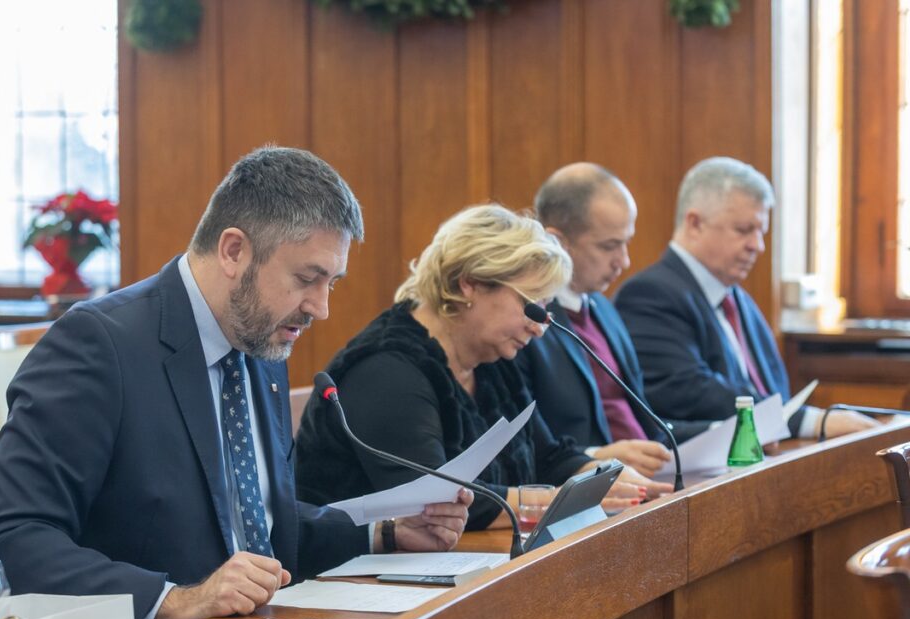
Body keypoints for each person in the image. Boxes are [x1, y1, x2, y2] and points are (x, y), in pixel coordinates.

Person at [0, 146, 472, 619]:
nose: (320, 308)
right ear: (234, 251)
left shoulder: (258, 342)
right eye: (306, 279)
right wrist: (175, 600)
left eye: (331, 284)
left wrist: (380, 533)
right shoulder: (99, 344)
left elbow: (249, 520)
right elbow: (12, 537)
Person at [295, 204, 671, 531]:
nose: (539, 327)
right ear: (469, 284)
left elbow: (549, 456)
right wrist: (562, 501)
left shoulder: (493, 359)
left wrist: (607, 481)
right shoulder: (386, 369)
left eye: (546, 308)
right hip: (365, 585)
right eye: (531, 305)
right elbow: (435, 500)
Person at [615, 156, 879, 439]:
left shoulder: (737, 298)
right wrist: (804, 421)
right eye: (743, 230)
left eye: (760, 232)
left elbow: (772, 388)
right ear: (694, 224)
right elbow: (686, 390)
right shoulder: (649, 295)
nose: (757, 246)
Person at [518, 163, 707, 479]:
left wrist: (719, 431)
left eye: (626, 242)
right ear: (558, 243)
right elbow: (524, 447)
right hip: (586, 493)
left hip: (650, 479)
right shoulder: (526, 322)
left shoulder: (604, 309)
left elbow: (645, 419)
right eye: (609, 246)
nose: (625, 261)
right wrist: (596, 458)